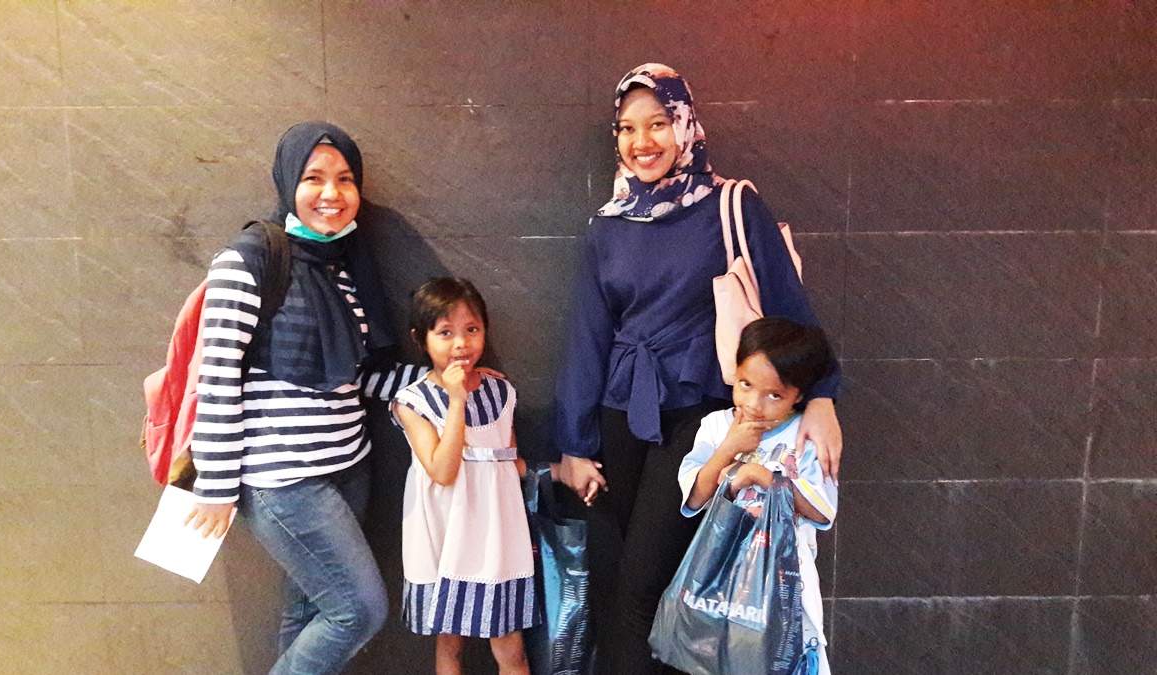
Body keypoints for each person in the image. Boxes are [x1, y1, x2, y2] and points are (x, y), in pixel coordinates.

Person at [551, 63, 843, 673]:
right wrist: (574, 445)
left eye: (658, 123)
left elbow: (792, 313)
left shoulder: (731, 205)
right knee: (619, 584)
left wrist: (822, 396)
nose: (642, 141)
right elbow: (587, 334)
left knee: (644, 586)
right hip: (620, 413)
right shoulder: (609, 223)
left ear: (684, 124)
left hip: (701, 412)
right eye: (627, 128)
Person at [184, 121, 424, 675]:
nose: (331, 193)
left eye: (345, 179)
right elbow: (219, 376)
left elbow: (355, 375)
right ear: (288, 180)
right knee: (358, 611)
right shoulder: (249, 259)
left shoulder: (346, 265)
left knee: (309, 609)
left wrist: (439, 385)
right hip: (284, 481)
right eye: (314, 178)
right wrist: (216, 485)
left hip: (348, 467)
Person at [391, 278, 538, 675]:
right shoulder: (412, 402)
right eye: (445, 333)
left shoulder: (500, 391)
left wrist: (558, 473)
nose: (461, 343)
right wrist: (457, 400)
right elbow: (442, 470)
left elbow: (507, 460)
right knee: (450, 643)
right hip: (445, 535)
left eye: (471, 329)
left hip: (495, 538)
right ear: (421, 339)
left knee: (512, 650)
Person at [679, 317, 839, 673]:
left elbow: (822, 511)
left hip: (786, 580)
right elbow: (695, 498)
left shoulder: (805, 433)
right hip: (722, 576)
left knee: (789, 658)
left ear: (799, 395)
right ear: (734, 373)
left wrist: (764, 477)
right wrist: (729, 449)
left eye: (774, 395)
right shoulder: (717, 427)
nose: (754, 403)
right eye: (746, 384)